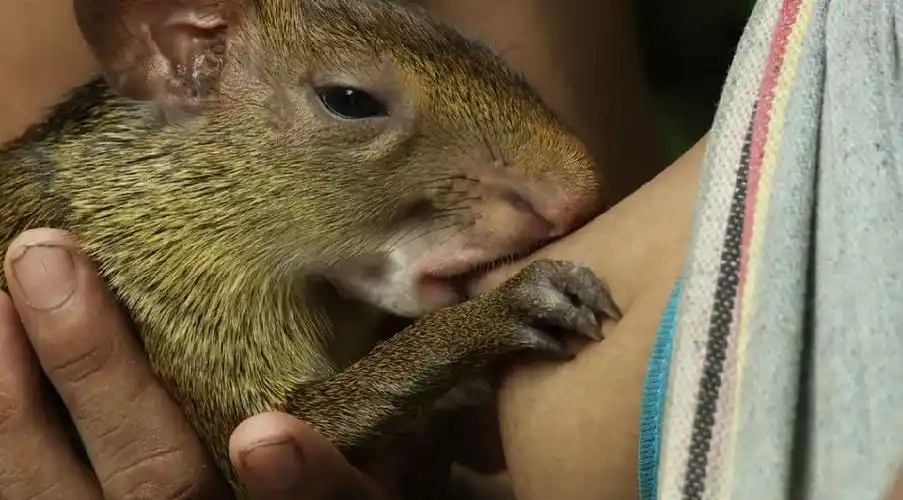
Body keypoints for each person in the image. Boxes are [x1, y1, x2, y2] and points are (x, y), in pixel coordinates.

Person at [0, 0, 678, 499]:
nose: (571, 192)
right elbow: (285, 426)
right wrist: (479, 329)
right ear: (183, 61)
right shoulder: (138, 235)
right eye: (350, 102)